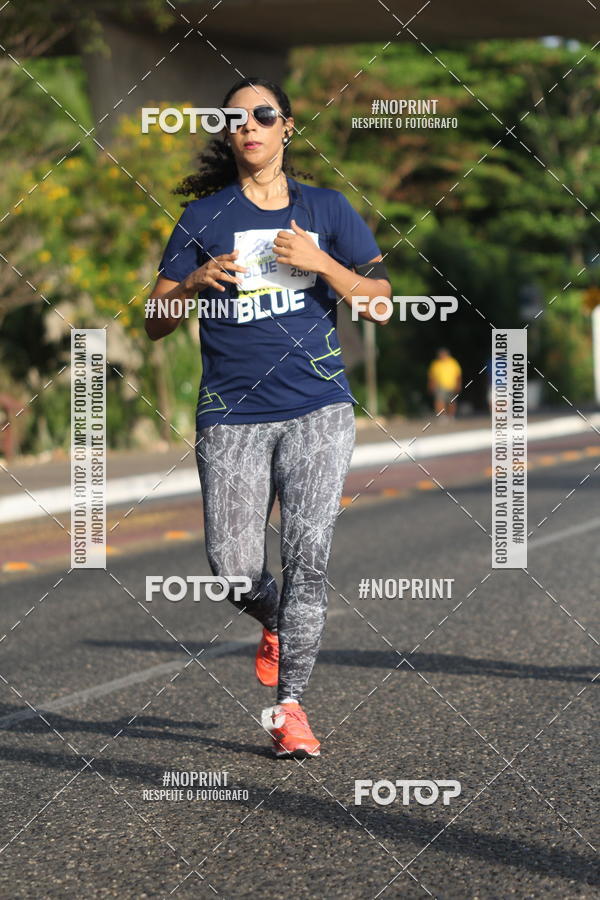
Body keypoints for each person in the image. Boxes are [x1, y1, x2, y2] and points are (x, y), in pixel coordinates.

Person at [145, 77, 392, 758]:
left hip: (319, 406)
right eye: (237, 117)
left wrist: (321, 263)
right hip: (232, 412)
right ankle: (277, 620)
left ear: (287, 127)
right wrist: (190, 286)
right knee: (230, 565)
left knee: (307, 558)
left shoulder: (329, 208)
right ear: (228, 133)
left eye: (264, 114)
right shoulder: (202, 218)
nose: (250, 124)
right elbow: (153, 325)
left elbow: (379, 301)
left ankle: (291, 709)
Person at [427, 348, 462, 418]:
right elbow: (432, 376)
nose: (442, 356)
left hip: (452, 385)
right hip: (440, 386)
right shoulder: (436, 363)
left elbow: (458, 375)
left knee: (451, 401)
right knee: (439, 401)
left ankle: (451, 415)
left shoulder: (453, 362)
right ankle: (442, 416)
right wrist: (431, 385)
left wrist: (458, 385)